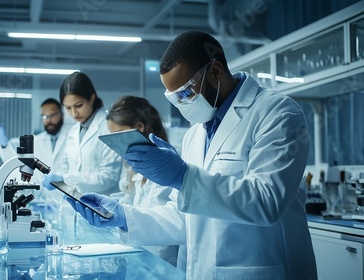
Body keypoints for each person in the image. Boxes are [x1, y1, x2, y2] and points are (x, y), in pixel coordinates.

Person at [67, 31, 317, 280]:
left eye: (185, 93)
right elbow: (182, 216)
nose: (180, 104)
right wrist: (123, 216)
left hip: (262, 270)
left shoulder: (276, 113)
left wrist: (184, 177)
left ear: (216, 71)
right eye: (173, 97)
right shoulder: (195, 134)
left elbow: (267, 202)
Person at [103, 95, 184, 268]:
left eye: (118, 136)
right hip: (142, 262)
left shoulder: (168, 170)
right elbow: (139, 208)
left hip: (161, 266)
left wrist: (125, 217)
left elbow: (167, 229)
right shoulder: (138, 171)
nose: (116, 144)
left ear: (139, 127)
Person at [43, 72, 122, 195]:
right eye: (68, 108)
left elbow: (109, 176)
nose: (74, 113)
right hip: (78, 204)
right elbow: (66, 168)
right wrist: (65, 182)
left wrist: (66, 179)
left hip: (103, 205)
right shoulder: (74, 131)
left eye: (78, 105)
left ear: (91, 98)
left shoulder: (109, 127)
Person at [32, 98, 71, 188]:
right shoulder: (37, 141)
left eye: (52, 115)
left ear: (62, 115)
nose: (48, 120)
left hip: (66, 194)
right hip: (44, 197)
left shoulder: (73, 137)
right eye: (44, 116)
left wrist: (63, 179)